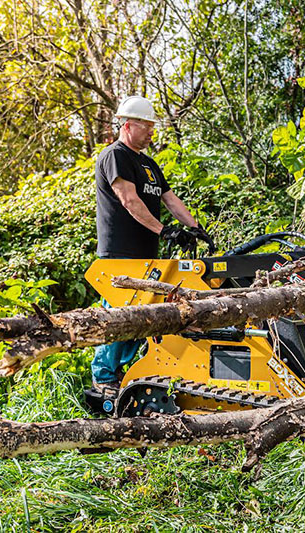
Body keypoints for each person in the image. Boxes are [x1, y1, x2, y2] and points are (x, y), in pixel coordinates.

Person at [92, 95, 211, 394]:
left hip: (145, 255)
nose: (151, 133)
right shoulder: (114, 156)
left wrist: (195, 228)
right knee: (118, 314)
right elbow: (128, 200)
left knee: (143, 317)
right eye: (146, 126)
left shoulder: (149, 163)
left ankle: (125, 373)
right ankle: (103, 376)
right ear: (128, 125)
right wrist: (165, 232)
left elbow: (170, 200)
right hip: (119, 253)